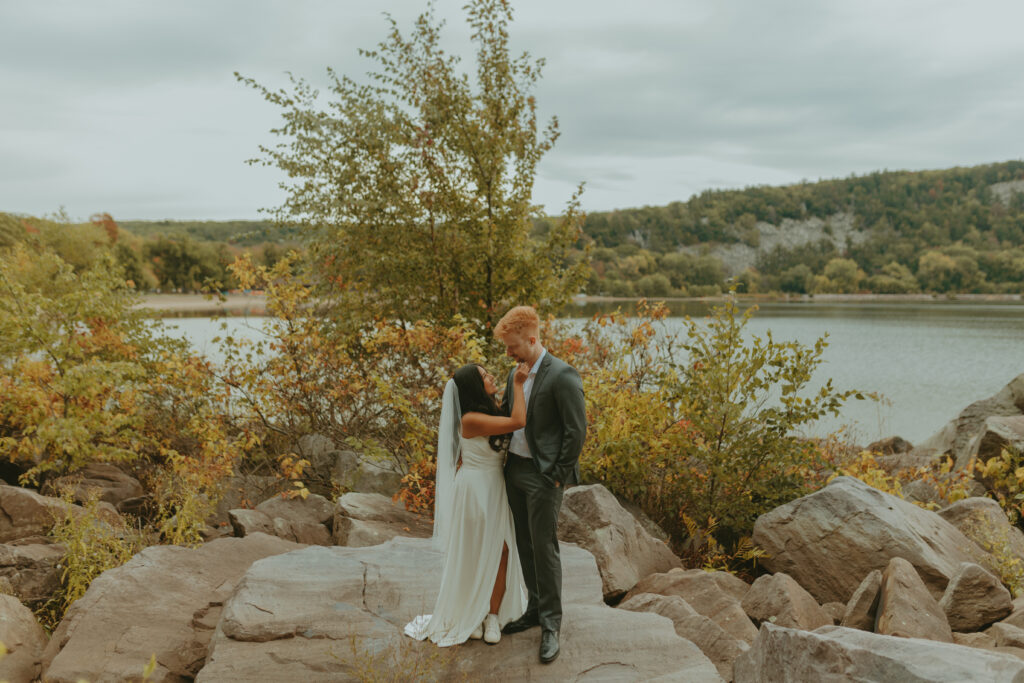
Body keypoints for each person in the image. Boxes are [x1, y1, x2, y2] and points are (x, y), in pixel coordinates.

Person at [404, 362, 530, 647]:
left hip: (494, 486)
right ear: (475, 387)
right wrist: (520, 384)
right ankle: (472, 613)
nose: (491, 376)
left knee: (502, 551)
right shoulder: (471, 419)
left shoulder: (490, 410)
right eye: (485, 376)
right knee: (480, 550)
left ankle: (492, 615)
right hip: (475, 489)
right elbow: (518, 421)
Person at [495, 306, 587, 664]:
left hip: (544, 475)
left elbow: (576, 431)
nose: (508, 353)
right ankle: (534, 608)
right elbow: (507, 416)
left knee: (544, 547)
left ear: (532, 339)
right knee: (524, 544)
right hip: (514, 471)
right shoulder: (512, 374)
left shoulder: (563, 375)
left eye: (513, 345)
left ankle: (551, 624)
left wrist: (558, 474)